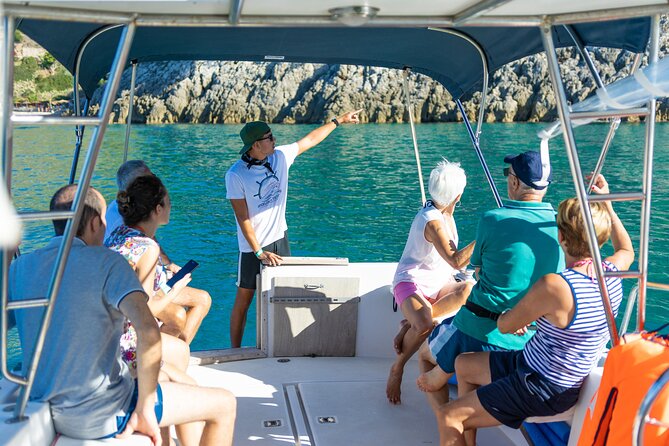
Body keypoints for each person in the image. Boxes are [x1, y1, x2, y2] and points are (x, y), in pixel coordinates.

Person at [11, 184, 236, 444]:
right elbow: (149, 330)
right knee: (224, 404)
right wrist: (144, 407)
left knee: (171, 374)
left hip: (42, 401)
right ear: (95, 223)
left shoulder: (21, 267)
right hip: (99, 412)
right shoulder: (107, 263)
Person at [434, 174, 634, 446]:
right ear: (601, 238)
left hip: (541, 386)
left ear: (561, 236)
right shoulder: (610, 272)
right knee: (464, 365)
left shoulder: (555, 285)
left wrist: (516, 316)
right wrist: (607, 204)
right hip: (541, 367)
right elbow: (626, 249)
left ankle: (460, 422)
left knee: (448, 416)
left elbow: (504, 325)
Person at [417, 150, 564, 415]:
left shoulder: (492, 218)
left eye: (509, 174)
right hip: (530, 336)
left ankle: (445, 419)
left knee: (424, 354)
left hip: (478, 329)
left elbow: (478, 268)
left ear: (516, 183)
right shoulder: (561, 226)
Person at [225, 109, 363, 348]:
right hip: (253, 247)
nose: (275, 140)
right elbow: (242, 217)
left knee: (280, 295)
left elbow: (309, 140)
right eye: (269, 137)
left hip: (280, 238)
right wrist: (258, 251)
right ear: (256, 145)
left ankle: (279, 346)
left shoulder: (280, 157)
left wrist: (338, 121)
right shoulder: (236, 174)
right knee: (245, 299)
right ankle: (234, 352)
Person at [386, 160, 475, 405]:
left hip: (439, 284)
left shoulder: (446, 214)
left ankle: (409, 324)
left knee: (468, 289)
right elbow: (456, 261)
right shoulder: (432, 221)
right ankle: (398, 367)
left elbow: (455, 269)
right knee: (425, 324)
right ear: (458, 195)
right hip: (410, 284)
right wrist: (487, 236)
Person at [107, 160, 211, 344]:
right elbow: (144, 309)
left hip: (127, 303)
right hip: (127, 329)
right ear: (156, 208)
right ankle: (169, 357)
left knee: (203, 299)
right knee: (177, 316)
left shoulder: (129, 226)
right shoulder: (130, 230)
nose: (154, 182)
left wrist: (168, 264)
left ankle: (175, 354)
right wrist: (174, 290)